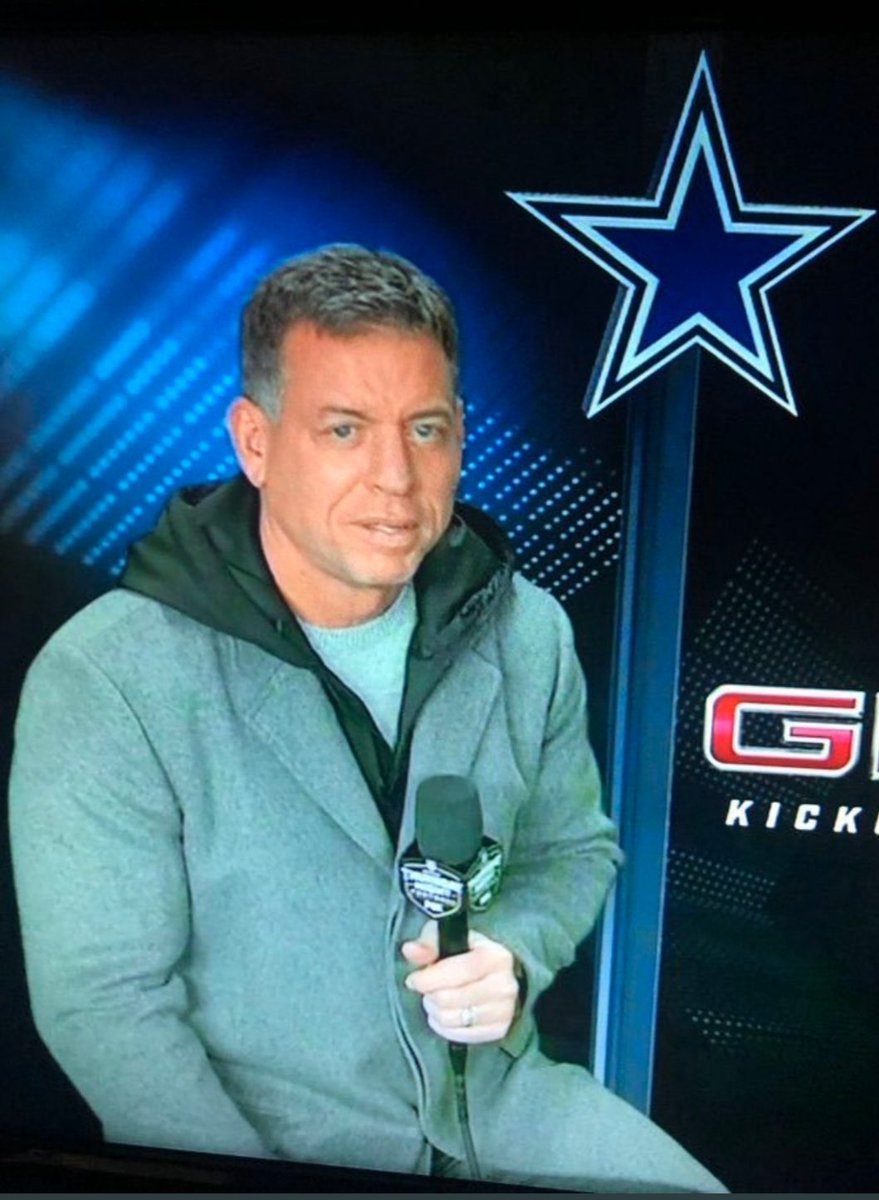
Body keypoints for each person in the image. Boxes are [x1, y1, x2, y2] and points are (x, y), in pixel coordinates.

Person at [9, 245, 724, 1191]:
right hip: (268, 1141)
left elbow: (572, 851)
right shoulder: (109, 673)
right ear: (255, 442)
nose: (395, 477)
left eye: (425, 430)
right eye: (343, 430)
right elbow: (107, 1006)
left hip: (497, 1105)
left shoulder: (527, 632)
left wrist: (512, 950)